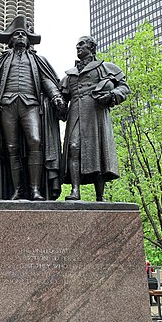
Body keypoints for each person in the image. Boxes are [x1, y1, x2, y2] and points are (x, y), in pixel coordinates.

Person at [0, 15, 65, 201]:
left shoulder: (37, 60)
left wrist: (56, 97)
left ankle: (35, 189)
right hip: (7, 105)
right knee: (11, 148)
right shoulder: (3, 60)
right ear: (11, 40)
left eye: (23, 34)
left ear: (28, 40)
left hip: (31, 104)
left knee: (35, 141)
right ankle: (17, 190)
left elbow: (47, 82)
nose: (20, 37)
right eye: (16, 34)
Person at [59, 36, 130, 201]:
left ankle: (100, 195)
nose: (78, 46)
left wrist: (111, 95)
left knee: (97, 150)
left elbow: (124, 87)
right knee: (73, 147)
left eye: (82, 44)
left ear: (91, 47)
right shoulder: (70, 75)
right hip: (75, 114)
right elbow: (61, 96)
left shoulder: (106, 68)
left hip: (96, 114)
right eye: (77, 44)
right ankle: (75, 191)